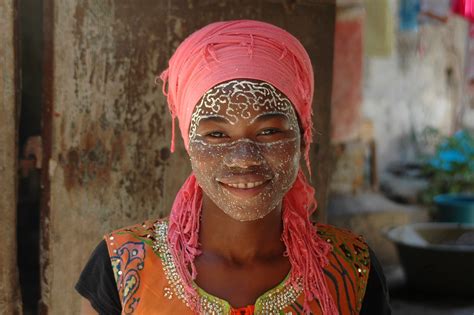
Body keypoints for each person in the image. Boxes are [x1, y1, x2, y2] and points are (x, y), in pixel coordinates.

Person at [76, 20, 391, 315]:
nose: (244, 157)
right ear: (188, 144)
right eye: (216, 134)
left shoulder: (351, 267)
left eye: (269, 131)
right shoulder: (124, 264)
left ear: (303, 138)